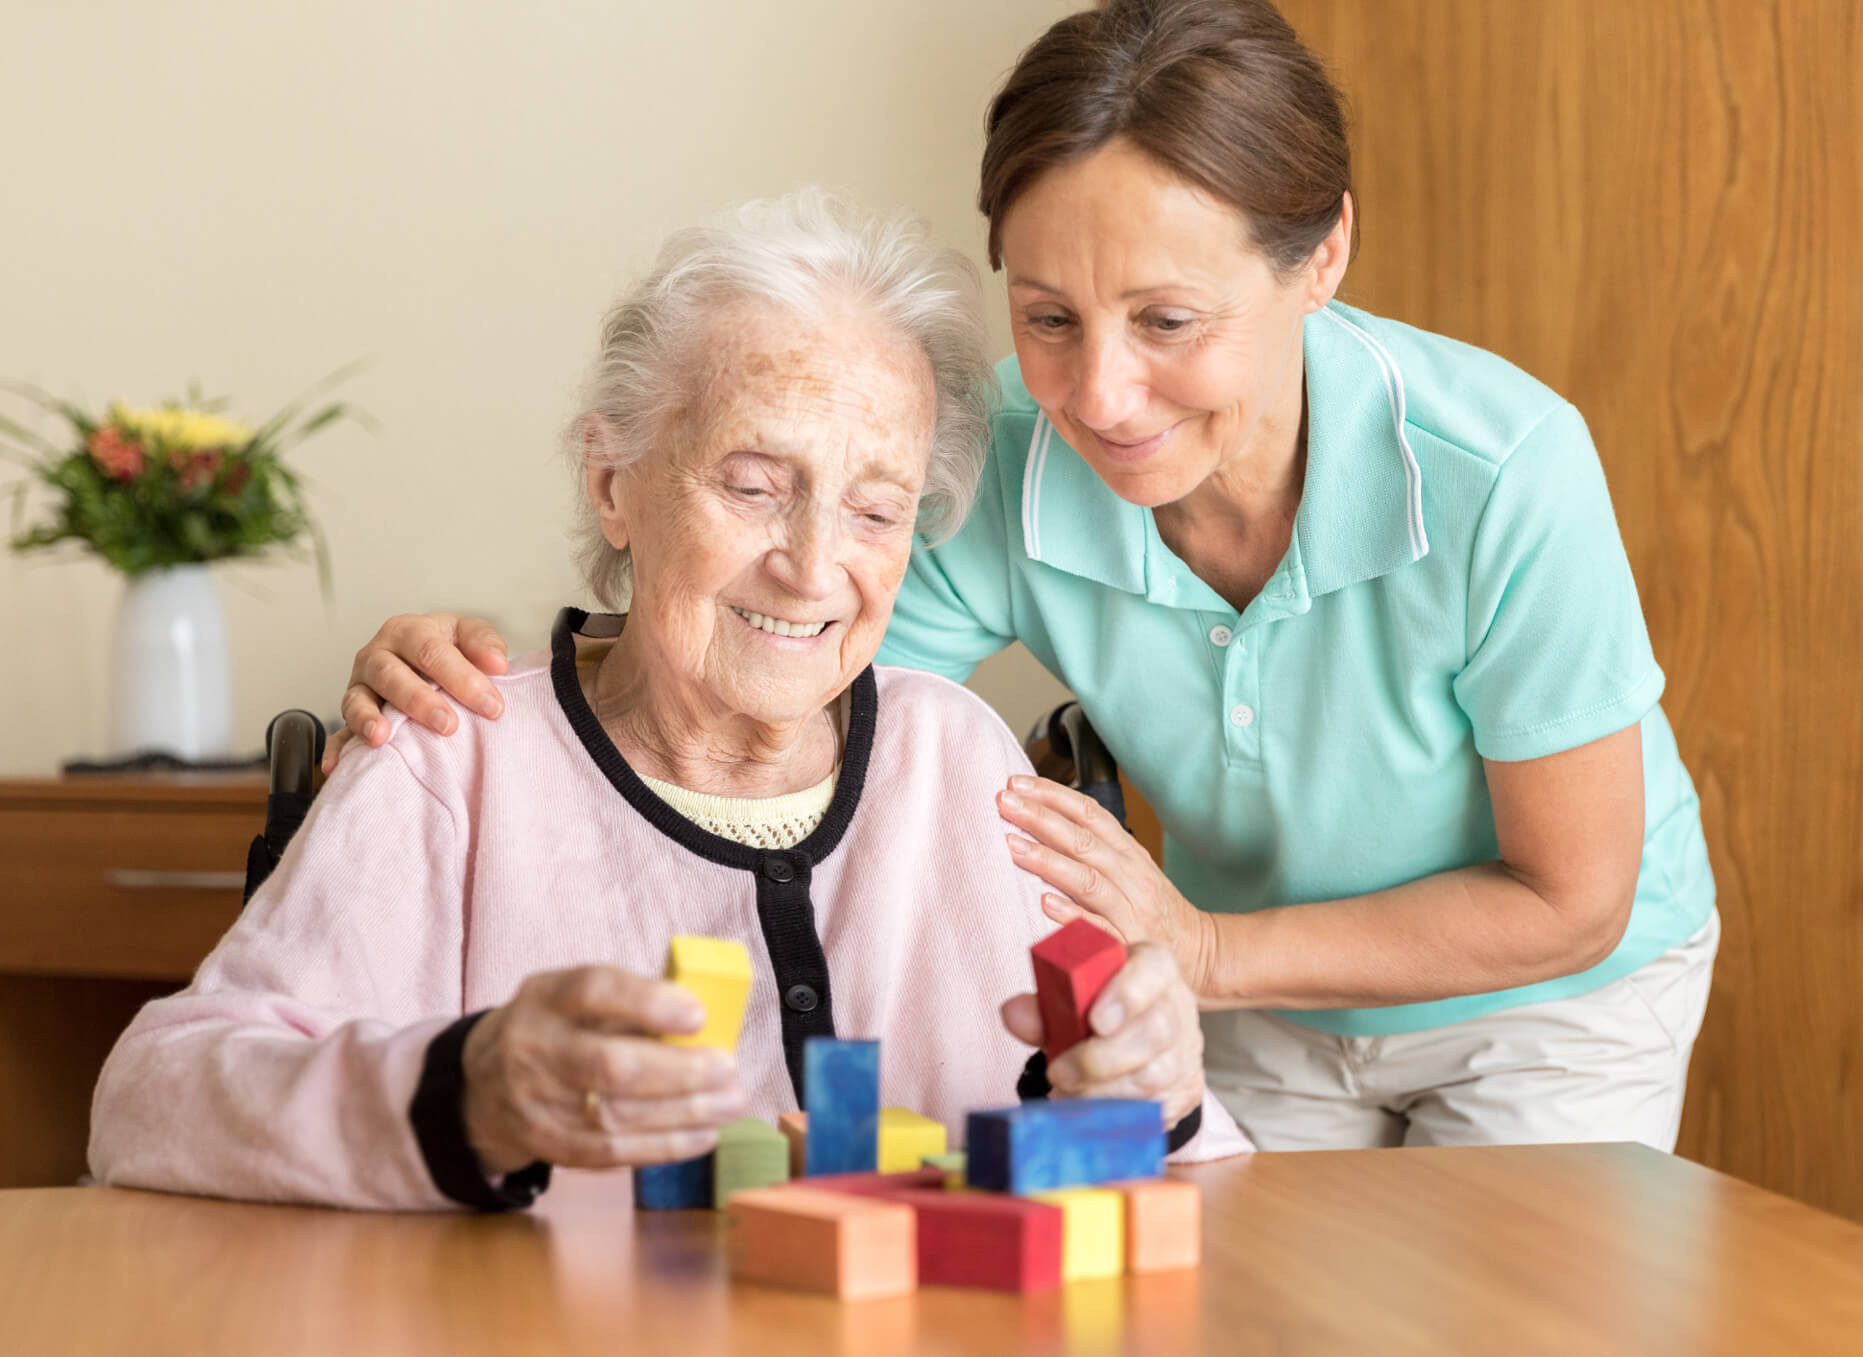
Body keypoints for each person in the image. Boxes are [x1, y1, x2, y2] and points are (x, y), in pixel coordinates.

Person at [326, 0, 1718, 1153]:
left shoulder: (1500, 468)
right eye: (1047, 315)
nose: (1101, 394)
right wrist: (515, 681)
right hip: (1253, 1000)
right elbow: (789, 677)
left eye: (1169, 320)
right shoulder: (1001, 447)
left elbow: (1569, 897)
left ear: (1323, 259)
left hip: (1552, 995)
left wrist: (1208, 957)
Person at [89, 188, 1249, 1213]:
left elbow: (1183, 1165)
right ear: (614, 483)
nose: (810, 563)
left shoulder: (958, 761)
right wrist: (469, 1094)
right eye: (754, 486)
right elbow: (150, 1100)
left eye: (875, 508)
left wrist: (1156, 1089)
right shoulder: (454, 750)